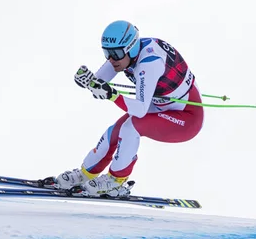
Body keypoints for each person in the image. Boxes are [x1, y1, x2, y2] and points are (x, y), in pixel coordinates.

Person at [48, 20, 204, 197]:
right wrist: (87, 82)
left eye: (115, 53)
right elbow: (100, 82)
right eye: (107, 53)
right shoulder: (125, 55)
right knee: (115, 131)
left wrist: (111, 94)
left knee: (131, 128)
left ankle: (116, 181)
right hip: (160, 106)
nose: (111, 59)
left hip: (187, 118)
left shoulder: (149, 64)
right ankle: (85, 174)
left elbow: (139, 110)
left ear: (131, 48)